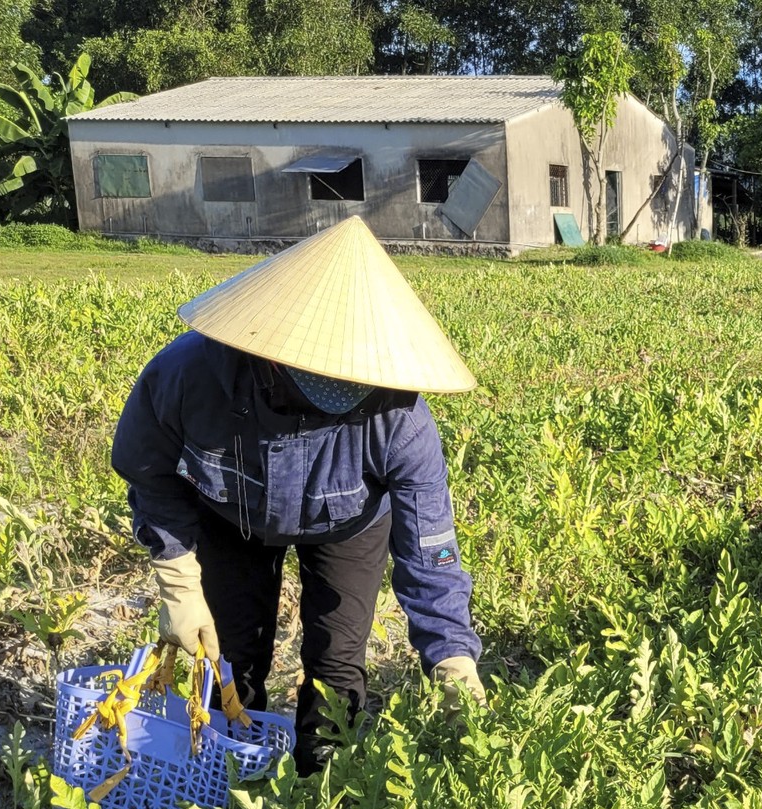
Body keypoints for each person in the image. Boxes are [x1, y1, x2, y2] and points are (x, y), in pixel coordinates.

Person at [112, 216, 485, 773]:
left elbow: (430, 546)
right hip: (228, 517)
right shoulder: (186, 375)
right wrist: (178, 581)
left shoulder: (401, 420)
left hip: (350, 526)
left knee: (337, 664)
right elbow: (151, 471)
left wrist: (452, 656)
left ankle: (326, 785)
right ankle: (229, 774)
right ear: (270, 351)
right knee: (229, 653)